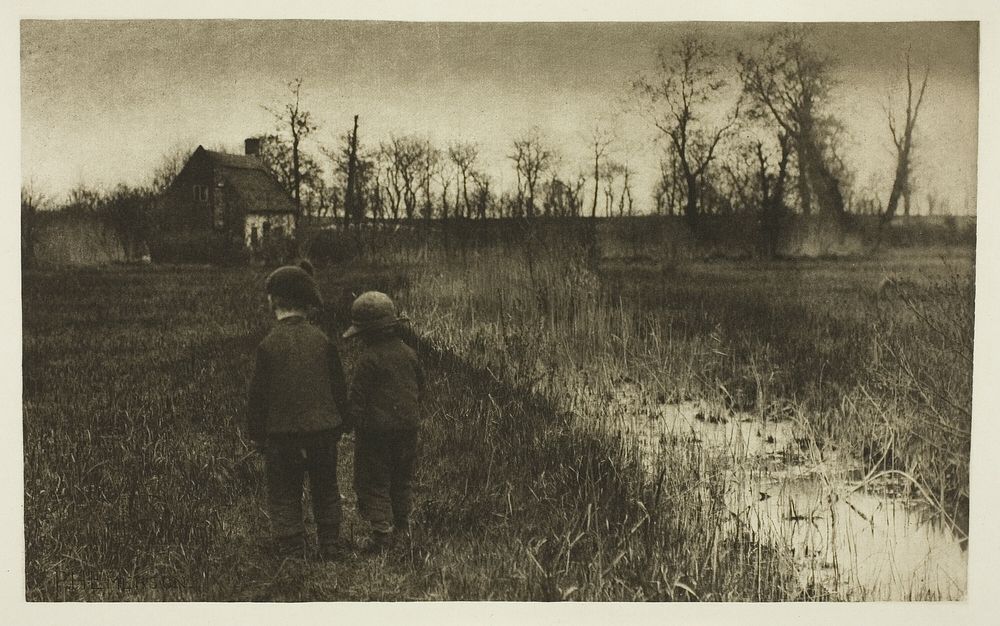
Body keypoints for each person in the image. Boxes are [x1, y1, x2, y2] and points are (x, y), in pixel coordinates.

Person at [246, 263, 351, 561]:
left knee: (283, 490)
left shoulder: (267, 345)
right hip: (322, 432)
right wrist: (342, 422)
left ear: (273, 302)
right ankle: (330, 543)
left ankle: (292, 547)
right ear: (308, 304)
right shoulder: (322, 341)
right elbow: (338, 386)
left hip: (282, 436)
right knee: (326, 485)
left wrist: (257, 434)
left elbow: (258, 396)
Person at [342, 291, 425, 553]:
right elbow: (420, 388)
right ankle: (403, 527)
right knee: (401, 478)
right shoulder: (409, 353)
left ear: (365, 333)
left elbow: (357, 399)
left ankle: (382, 535)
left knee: (373, 481)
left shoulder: (368, 360)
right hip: (408, 429)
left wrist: (347, 425)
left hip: (375, 434)